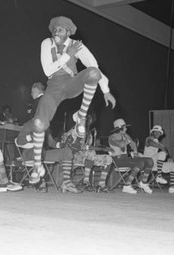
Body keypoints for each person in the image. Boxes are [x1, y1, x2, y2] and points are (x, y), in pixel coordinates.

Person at [19, 16, 116, 185]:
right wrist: (67, 56)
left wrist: (106, 90)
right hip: (54, 87)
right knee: (39, 124)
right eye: (55, 29)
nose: (57, 31)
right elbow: (48, 70)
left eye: (61, 29)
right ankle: (37, 167)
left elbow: (94, 66)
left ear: (68, 32)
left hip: (71, 83)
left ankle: (82, 116)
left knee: (93, 72)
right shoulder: (46, 43)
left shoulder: (77, 45)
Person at [16, 122, 79, 193]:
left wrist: (62, 145)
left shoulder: (45, 124)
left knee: (67, 152)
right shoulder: (29, 124)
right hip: (29, 154)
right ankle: (40, 182)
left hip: (42, 153)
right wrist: (31, 136)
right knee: (41, 153)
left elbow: (51, 142)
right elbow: (19, 141)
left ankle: (66, 182)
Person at [61, 112, 113, 193]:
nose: (88, 122)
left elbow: (88, 146)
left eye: (89, 120)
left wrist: (102, 149)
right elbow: (71, 146)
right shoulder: (75, 131)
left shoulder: (88, 133)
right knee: (91, 153)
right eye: (87, 120)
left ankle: (101, 184)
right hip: (73, 157)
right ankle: (85, 182)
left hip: (86, 157)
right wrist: (101, 149)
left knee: (108, 158)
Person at [108, 118, 154, 194]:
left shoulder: (125, 135)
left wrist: (135, 152)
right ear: (120, 128)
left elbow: (133, 143)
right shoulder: (112, 137)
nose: (126, 128)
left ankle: (143, 182)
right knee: (140, 163)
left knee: (149, 161)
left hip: (126, 159)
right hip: (118, 161)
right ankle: (127, 185)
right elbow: (120, 144)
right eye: (125, 127)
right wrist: (128, 140)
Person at [143, 125, 174, 194]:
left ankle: (172, 187)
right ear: (152, 132)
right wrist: (163, 149)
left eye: (159, 132)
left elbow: (164, 151)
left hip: (155, 164)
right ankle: (159, 176)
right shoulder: (148, 139)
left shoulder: (158, 142)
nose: (157, 134)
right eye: (155, 132)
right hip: (147, 162)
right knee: (162, 153)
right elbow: (154, 144)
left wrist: (168, 158)